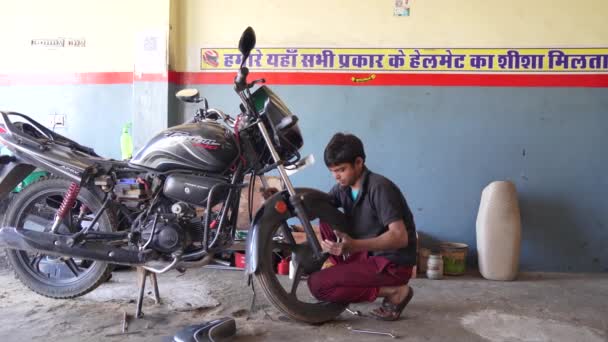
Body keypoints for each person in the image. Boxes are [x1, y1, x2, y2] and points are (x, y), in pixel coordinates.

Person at [309, 132, 418, 321]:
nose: (336, 176)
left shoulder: (380, 188)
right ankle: (349, 274)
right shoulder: (344, 188)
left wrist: (355, 245)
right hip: (366, 255)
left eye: (341, 169)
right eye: (333, 171)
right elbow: (316, 207)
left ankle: (395, 291)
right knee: (326, 216)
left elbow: (400, 237)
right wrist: (282, 199)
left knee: (318, 285)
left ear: (358, 162)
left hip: (391, 264)